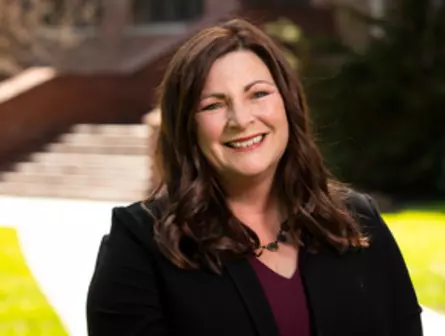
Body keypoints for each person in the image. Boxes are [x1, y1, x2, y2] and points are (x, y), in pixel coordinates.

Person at [86, 18, 423, 336]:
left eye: (258, 94)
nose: (241, 119)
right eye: (213, 105)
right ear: (187, 127)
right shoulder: (141, 244)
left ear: (287, 104)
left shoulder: (357, 222)